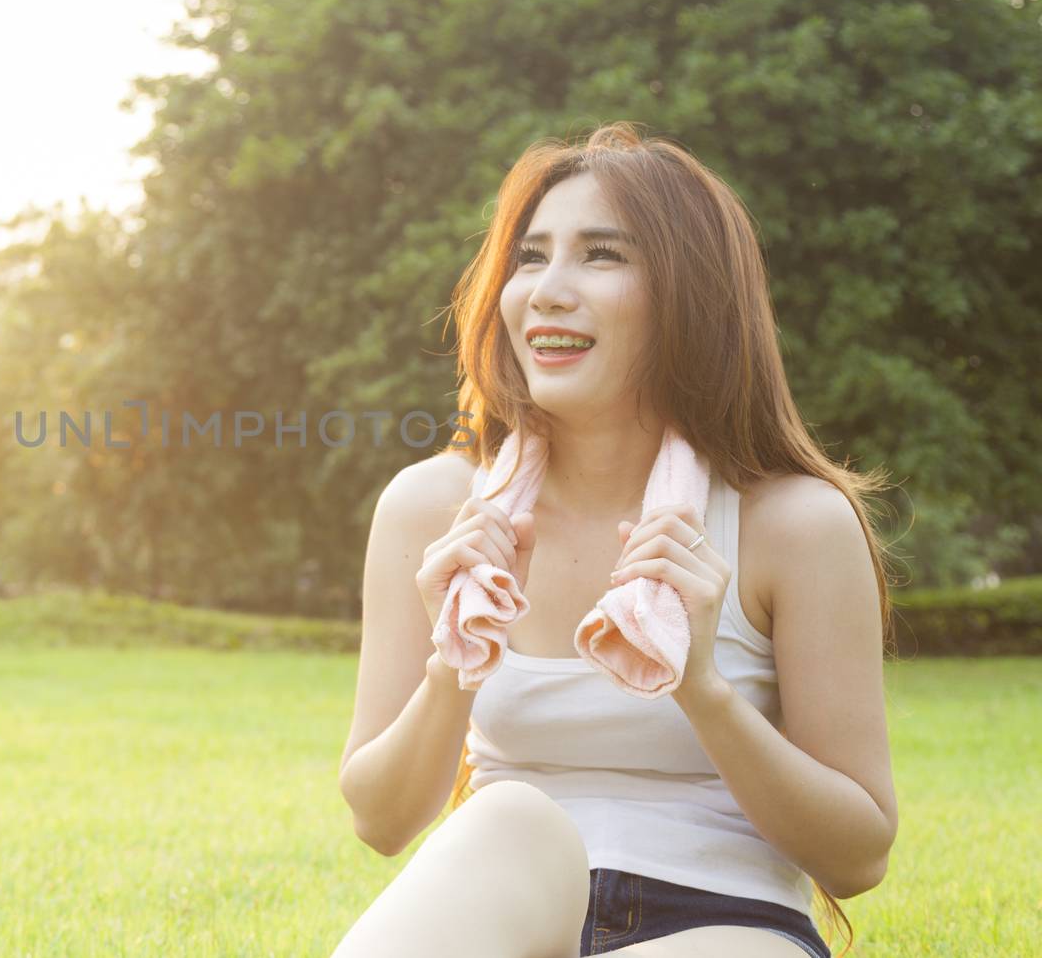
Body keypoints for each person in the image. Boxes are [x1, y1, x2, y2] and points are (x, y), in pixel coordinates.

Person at [332, 122, 899, 958]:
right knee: (512, 816)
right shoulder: (434, 509)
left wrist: (702, 684)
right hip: (509, 906)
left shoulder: (796, 524)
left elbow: (859, 854)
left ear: (689, 295)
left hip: (725, 921)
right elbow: (379, 819)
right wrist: (452, 664)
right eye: (531, 256)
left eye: (602, 255)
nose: (548, 290)